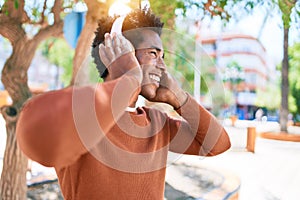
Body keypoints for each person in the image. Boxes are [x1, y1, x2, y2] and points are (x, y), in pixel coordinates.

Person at [16, 8, 231, 200]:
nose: (163, 66)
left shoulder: (157, 123)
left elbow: (218, 144)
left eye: (162, 56)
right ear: (119, 50)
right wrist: (128, 78)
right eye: (153, 54)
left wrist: (178, 98)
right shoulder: (82, 116)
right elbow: (31, 130)